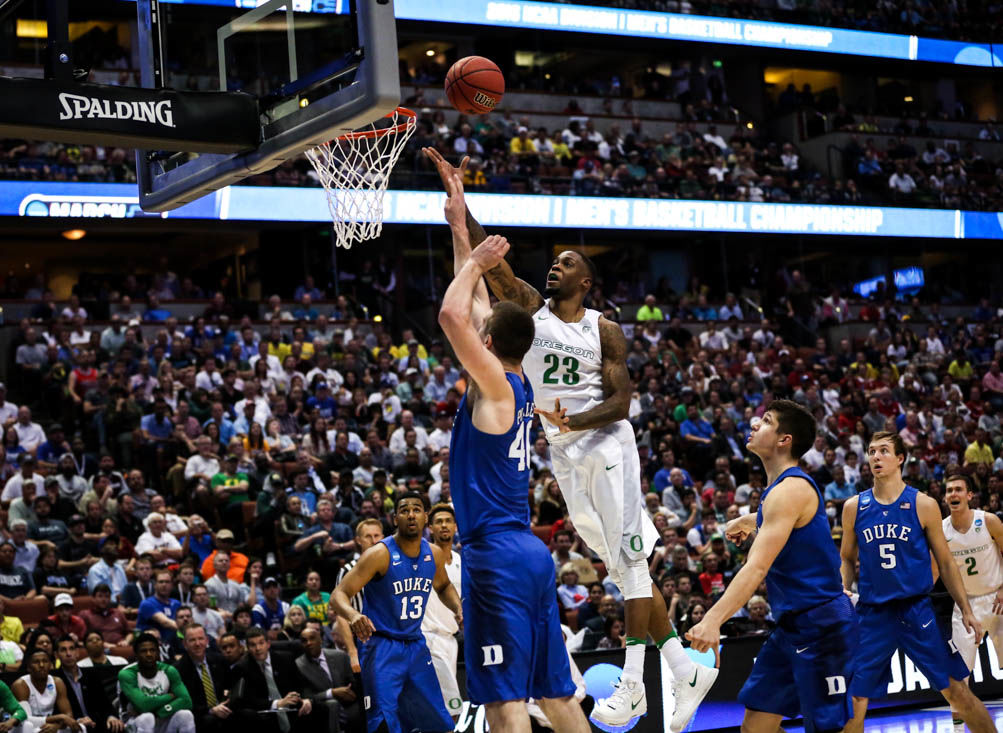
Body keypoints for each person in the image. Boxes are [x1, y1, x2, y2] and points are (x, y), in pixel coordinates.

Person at [429, 149, 710, 732]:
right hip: (562, 453)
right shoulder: (530, 311)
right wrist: (461, 212)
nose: (553, 267)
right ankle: (684, 667)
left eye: (566, 262)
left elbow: (621, 401)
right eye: (552, 262)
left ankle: (635, 682)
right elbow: (488, 267)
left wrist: (573, 423)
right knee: (618, 566)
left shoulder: (602, 325)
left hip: (604, 440)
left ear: (587, 279)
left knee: (631, 561)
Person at [431, 212, 590, 733]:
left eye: (484, 331)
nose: (478, 327)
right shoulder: (516, 384)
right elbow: (473, 304)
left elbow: (454, 317)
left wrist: (477, 261)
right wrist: (459, 221)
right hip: (528, 553)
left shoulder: (497, 387)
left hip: (496, 555)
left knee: (504, 700)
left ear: (490, 343)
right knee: (558, 693)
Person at [686, 400, 859, 733]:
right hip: (790, 627)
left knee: (828, 728)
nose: (754, 423)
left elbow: (756, 568)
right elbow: (789, 523)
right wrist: (751, 519)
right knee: (755, 728)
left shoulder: (790, 489)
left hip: (823, 626)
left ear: (785, 439)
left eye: (765, 421)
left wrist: (712, 619)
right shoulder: (776, 494)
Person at [839, 432, 994, 733]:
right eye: (871, 451)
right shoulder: (854, 507)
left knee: (957, 691)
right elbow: (846, 558)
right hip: (873, 613)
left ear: (900, 459)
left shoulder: (923, 504)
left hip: (916, 610)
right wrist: (843, 588)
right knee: (854, 697)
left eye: (884, 451)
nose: (875, 457)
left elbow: (946, 562)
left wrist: (967, 610)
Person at [330, 492, 461, 733]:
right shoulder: (379, 554)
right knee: (384, 723)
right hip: (381, 646)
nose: (411, 514)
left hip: (415, 644)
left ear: (425, 518)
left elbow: (443, 586)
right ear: (394, 518)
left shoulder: (433, 553)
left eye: (416, 509)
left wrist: (458, 608)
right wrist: (354, 615)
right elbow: (338, 595)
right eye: (404, 510)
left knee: (438, 722)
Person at [941, 473, 1003, 733]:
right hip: (965, 607)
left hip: (997, 601)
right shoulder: (941, 529)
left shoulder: (988, 520)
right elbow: (936, 570)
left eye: (958, 489)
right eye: (949, 490)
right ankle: (957, 730)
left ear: (969, 495)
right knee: (958, 676)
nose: (953, 494)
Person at [230, 627, 322, 733]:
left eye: (261, 643)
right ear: (248, 648)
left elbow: (302, 684)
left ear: (268, 644)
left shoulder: (285, 659)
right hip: (265, 712)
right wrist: (277, 703)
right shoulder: (242, 668)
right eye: (253, 645)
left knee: (319, 707)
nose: (258, 648)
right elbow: (247, 701)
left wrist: (306, 699)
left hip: (291, 707)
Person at [419, 504, 463, 718]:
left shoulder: (462, 561)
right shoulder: (422, 558)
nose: (444, 525)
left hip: (451, 639)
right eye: (439, 522)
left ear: (455, 526)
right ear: (430, 528)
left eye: (448, 521)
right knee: (451, 707)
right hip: (427, 637)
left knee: (441, 708)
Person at [330, 519, 384, 675]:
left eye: (377, 535)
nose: (374, 541)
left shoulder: (393, 565)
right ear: (358, 540)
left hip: (392, 638)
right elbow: (341, 614)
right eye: (368, 536)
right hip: (364, 640)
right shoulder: (348, 570)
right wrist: (353, 653)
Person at [118, 634, 195, 733]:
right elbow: (143, 706)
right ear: (136, 654)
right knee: (147, 717)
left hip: (161, 719)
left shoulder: (169, 670)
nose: (149, 654)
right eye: (143, 651)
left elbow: (186, 701)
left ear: (158, 652)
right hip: (133, 722)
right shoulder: (127, 674)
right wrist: (170, 696)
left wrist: (159, 712)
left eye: (152, 650)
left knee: (186, 715)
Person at [294, 628, 360, 733]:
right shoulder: (298, 665)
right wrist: (332, 693)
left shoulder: (340, 656)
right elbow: (307, 696)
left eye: (312, 638)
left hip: (348, 703)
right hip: (323, 708)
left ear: (320, 640)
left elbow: (354, 682)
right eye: (304, 641)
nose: (309, 643)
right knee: (332, 705)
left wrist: (349, 692)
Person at [54, 636, 124, 733]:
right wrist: (77, 721)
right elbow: (56, 711)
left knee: (117, 727)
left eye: (71, 649)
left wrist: (111, 717)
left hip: (97, 724)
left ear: (77, 652)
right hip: (72, 726)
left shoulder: (91, 674)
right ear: (56, 655)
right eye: (63, 650)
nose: (68, 654)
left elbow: (105, 702)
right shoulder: (55, 679)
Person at [173, 623, 230, 733]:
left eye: (201, 639)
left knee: (246, 714)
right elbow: (184, 703)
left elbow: (230, 685)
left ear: (207, 641)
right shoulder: (178, 670)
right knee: (210, 721)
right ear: (185, 644)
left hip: (223, 708)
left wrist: (227, 701)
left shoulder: (219, 660)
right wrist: (211, 710)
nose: (198, 644)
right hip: (199, 715)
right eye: (192, 640)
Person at [12, 650, 80, 733]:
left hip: (49, 725)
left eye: (45, 661)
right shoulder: (20, 685)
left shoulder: (57, 682)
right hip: (26, 727)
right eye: (36, 662)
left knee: (80, 728)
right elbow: (25, 718)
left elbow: (68, 714)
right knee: (28, 726)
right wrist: (60, 717)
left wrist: (57, 726)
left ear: (51, 665)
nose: (41, 665)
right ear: (28, 668)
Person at [137, 570, 182, 638]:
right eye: (161, 582)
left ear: (172, 585)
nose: (164, 585)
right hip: (152, 644)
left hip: (173, 643)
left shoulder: (176, 603)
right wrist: (187, 630)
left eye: (167, 582)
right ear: (155, 585)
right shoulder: (147, 604)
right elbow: (165, 623)